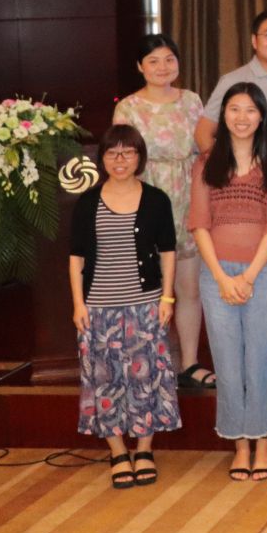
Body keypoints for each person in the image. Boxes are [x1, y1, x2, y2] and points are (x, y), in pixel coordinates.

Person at [70, 124, 179, 489]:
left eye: (128, 152)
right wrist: (78, 304)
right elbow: (76, 258)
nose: (120, 160)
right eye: (112, 152)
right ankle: (117, 451)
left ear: (139, 157)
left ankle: (144, 449)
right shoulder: (87, 202)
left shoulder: (156, 200)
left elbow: (168, 252)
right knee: (104, 380)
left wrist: (167, 297)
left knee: (146, 378)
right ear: (102, 158)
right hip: (98, 308)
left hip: (145, 305)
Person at [189, 82, 267, 482]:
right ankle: (239, 444)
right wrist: (221, 277)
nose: (241, 117)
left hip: (261, 274)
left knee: (258, 361)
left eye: (250, 110)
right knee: (228, 364)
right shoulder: (206, 163)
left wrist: (247, 276)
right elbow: (199, 222)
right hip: (216, 275)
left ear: (261, 116)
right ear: (223, 115)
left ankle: (263, 442)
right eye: (234, 109)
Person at [113, 33, 209, 390]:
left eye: (169, 59)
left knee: (189, 288)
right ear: (140, 67)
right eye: (153, 61)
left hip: (188, 197)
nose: (162, 67)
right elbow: (120, 159)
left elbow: (205, 151)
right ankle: (152, 361)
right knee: (149, 289)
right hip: (146, 199)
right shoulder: (128, 108)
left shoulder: (192, 101)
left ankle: (190, 363)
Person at [196, 8, 267, 157]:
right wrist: (223, 167)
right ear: (254, 40)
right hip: (252, 171)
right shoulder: (233, 81)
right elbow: (203, 133)